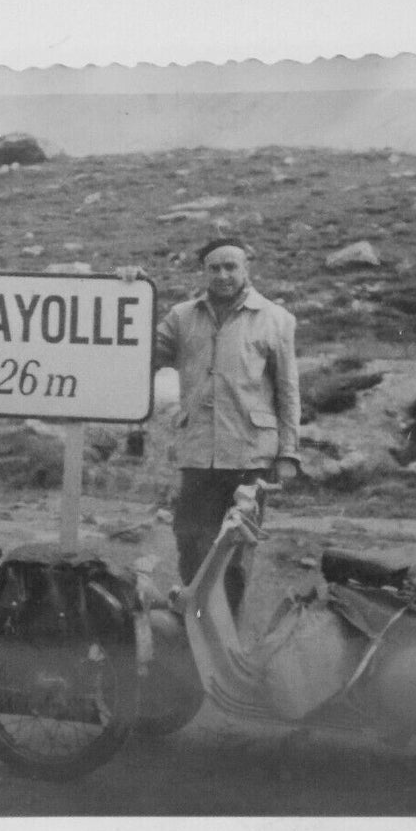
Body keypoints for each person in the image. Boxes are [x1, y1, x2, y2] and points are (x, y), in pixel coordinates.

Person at [120, 238, 301, 612]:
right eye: (214, 268)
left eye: (230, 267)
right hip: (199, 450)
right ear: (204, 272)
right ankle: (197, 618)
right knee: (190, 539)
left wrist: (288, 453)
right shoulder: (182, 317)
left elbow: (288, 391)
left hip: (251, 454)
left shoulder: (276, 319)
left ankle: (225, 631)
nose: (222, 275)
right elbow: (138, 351)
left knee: (235, 550)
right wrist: (132, 294)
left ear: (246, 268)